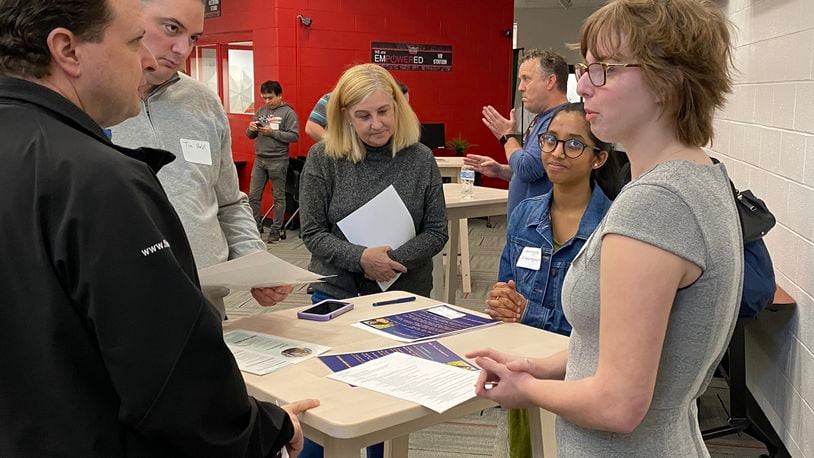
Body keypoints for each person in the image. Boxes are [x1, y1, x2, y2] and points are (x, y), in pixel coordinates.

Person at [0, 0, 317, 456]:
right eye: (135, 41)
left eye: (193, 38)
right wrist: (266, 430)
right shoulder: (100, 176)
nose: (152, 57)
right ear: (67, 50)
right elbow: (170, 384)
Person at [468, 0, 742, 456]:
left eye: (606, 71)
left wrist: (525, 390)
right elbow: (603, 347)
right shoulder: (697, 176)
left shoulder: (657, 203)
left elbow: (617, 405)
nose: (586, 87)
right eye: (586, 69)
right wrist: (535, 367)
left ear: (667, 81)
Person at [298, 63, 447, 458]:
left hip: (404, 297)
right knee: (329, 407)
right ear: (344, 115)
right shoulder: (323, 158)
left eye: (383, 111)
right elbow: (311, 232)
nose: (375, 124)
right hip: (337, 295)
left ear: (398, 108)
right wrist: (361, 258)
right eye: (362, 116)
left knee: (387, 408)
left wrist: (389, 261)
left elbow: (436, 232)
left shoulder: (420, 159)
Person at [110, 0, 290, 318]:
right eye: (171, 28)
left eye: (193, 37)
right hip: (122, 313)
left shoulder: (204, 102)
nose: (182, 48)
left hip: (206, 308)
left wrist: (255, 263)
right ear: (130, 17)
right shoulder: (92, 101)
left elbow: (229, 203)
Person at [483, 103, 614, 457]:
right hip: (522, 367)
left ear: (598, 158)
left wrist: (529, 313)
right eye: (550, 140)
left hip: (579, 377)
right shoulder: (526, 213)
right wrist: (501, 302)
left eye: (574, 144)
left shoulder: (611, 229)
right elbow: (505, 286)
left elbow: (603, 329)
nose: (557, 152)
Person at [466, 49, 569, 216]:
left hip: (537, 229)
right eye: (520, 80)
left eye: (526, 79)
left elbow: (527, 169)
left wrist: (506, 136)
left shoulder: (561, 121)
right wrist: (501, 170)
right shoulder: (545, 118)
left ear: (550, 81)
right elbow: (538, 173)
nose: (521, 88)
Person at [246, 80, 300, 242]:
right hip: (260, 159)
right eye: (264, 98)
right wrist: (251, 129)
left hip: (278, 160)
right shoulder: (261, 111)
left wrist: (272, 133)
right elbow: (249, 136)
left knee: (279, 197)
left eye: (270, 98)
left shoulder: (288, 113)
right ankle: (256, 227)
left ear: (279, 95)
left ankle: (276, 230)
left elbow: (294, 136)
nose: (267, 101)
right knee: (253, 196)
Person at [304, 80, 409, 142]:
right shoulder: (331, 99)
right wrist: (338, 145)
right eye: (364, 115)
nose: (376, 124)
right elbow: (311, 128)